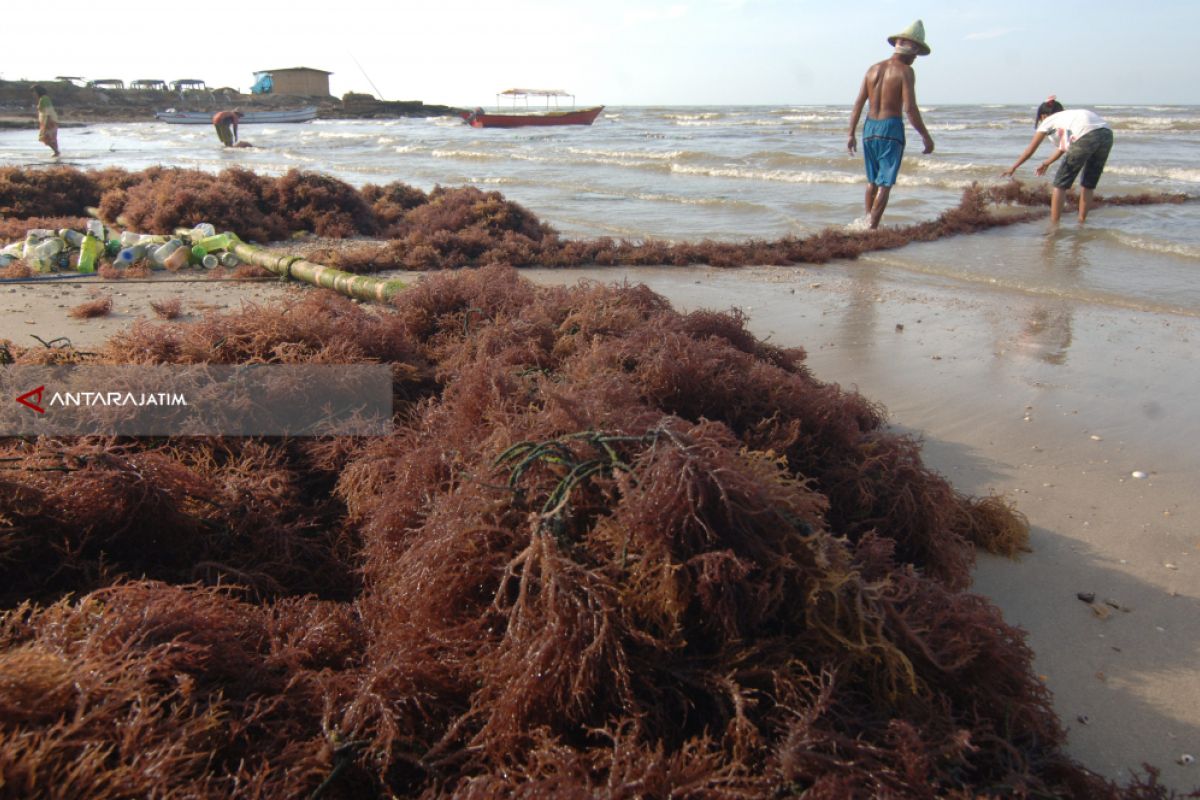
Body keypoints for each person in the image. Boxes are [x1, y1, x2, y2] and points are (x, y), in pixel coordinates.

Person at [847, 19, 935, 229]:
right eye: (916, 53)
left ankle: (866, 223)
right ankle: (871, 230)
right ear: (910, 48)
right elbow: (910, 109)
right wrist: (926, 136)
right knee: (885, 183)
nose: (915, 57)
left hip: (869, 128)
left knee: (871, 182)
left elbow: (859, 103)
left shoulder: (872, 69)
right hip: (890, 128)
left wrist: (850, 133)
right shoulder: (905, 71)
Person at [1002, 97, 1113, 224]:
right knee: (1088, 184)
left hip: (1086, 135)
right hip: (1106, 134)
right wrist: (1047, 163)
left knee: (1060, 184)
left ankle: (1054, 224)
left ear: (1043, 115)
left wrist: (1014, 167)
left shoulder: (1048, 120)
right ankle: (1082, 222)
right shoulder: (1067, 117)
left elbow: (1030, 150)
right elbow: (1063, 147)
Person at [32, 85, 60, 157]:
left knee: (46, 138)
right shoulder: (44, 98)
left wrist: (47, 121)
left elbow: (47, 110)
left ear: (38, 91)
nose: (33, 93)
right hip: (49, 120)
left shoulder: (44, 99)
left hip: (49, 120)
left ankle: (56, 152)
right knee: (50, 138)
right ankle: (56, 152)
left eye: (34, 91)